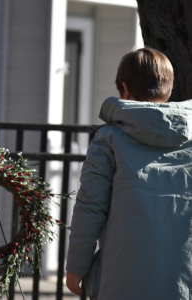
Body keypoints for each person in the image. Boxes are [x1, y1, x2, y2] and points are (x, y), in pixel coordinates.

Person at [66, 47, 192, 300]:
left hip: (121, 274)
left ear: (123, 88)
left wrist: (76, 268)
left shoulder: (110, 138)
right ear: (168, 89)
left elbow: (90, 207)